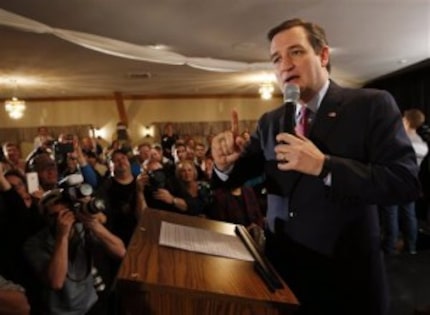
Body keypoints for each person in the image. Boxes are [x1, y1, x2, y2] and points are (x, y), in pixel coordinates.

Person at [211, 18, 419, 315]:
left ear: (323, 56)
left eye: (295, 52)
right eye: (276, 58)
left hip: (345, 281)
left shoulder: (371, 105)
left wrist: (325, 166)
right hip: (282, 276)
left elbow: (404, 182)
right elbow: (233, 179)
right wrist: (223, 165)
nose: (284, 64)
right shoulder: (270, 122)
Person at [23, 189, 126, 315]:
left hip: (91, 303)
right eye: (54, 216)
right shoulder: (34, 244)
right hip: (60, 311)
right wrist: (62, 236)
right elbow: (56, 282)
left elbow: (121, 252)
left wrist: (92, 224)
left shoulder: (81, 228)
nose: (61, 219)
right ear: (45, 218)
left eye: (66, 213)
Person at [380, 108, 428, 255]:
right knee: (409, 216)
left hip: (394, 184)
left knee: (391, 217)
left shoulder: (398, 140)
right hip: (411, 184)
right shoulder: (423, 145)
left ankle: (389, 249)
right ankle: (411, 248)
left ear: (406, 121)